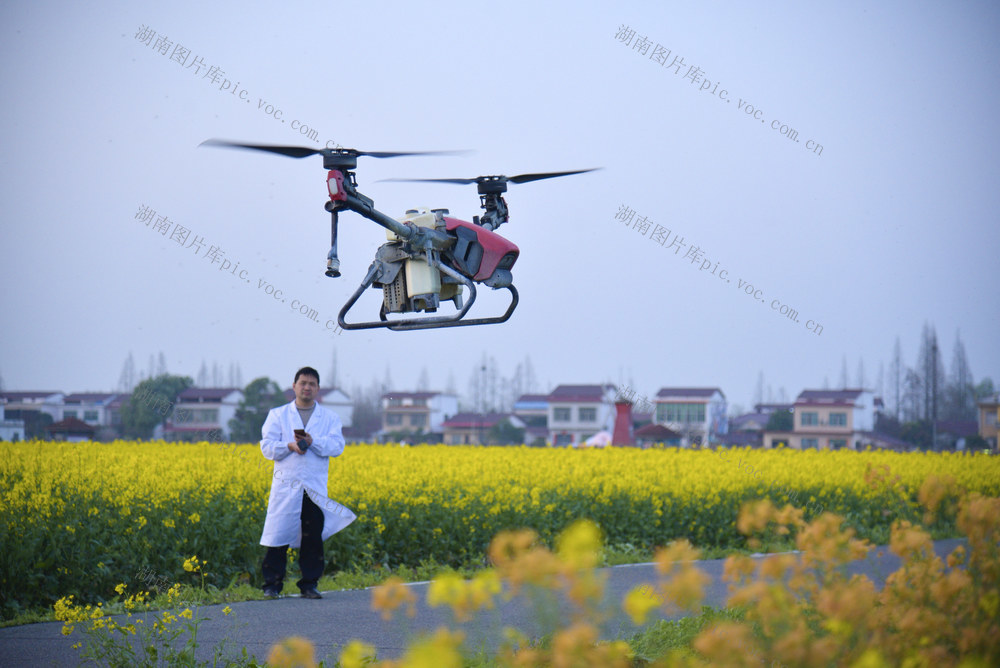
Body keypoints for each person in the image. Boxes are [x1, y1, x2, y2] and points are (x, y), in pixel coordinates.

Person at [259, 366, 356, 599]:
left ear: (318, 389)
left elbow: (337, 446)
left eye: (312, 384)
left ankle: (309, 584)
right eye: (303, 383)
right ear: (294, 386)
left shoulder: (330, 418)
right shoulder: (278, 414)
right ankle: (272, 585)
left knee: (313, 536)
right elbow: (267, 447)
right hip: (286, 486)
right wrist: (289, 446)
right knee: (278, 534)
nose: (307, 387)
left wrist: (313, 442)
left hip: (313, 487)